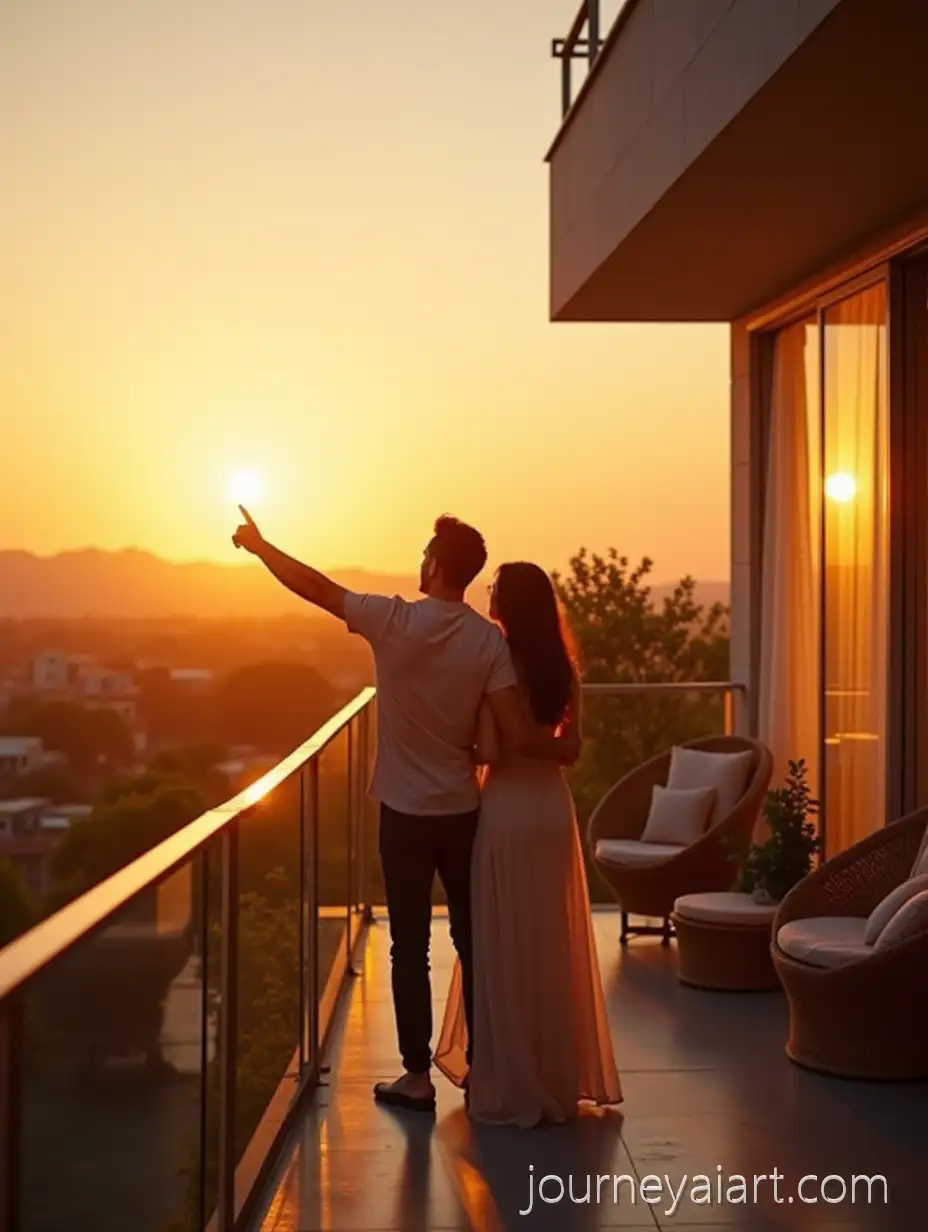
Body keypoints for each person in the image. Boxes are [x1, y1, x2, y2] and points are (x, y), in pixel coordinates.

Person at [231, 509, 579, 1112]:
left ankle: (417, 1076)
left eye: (425, 554)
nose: (420, 563)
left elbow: (316, 587)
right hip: (465, 812)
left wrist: (262, 548)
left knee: (409, 946)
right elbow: (510, 729)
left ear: (437, 565)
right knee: (475, 941)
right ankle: (487, 1067)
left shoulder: (392, 620)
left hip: (404, 813)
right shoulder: (488, 642)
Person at [435, 561, 622, 1127]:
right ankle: (551, 1077)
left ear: (510, 604)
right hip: (550, 810)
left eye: (494, 588)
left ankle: (508, 1078)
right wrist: (550, 747)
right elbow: (574, 749)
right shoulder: (563, 669)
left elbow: (492, 749)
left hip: (508, 810)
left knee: (503, 944)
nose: (487, 592)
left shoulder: (496, 664)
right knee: (548, 942)